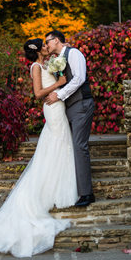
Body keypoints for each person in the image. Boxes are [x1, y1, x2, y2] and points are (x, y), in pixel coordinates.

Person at [0, 38, 78, 258]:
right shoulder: (36, 67)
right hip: (53, 109)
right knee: (57, 144)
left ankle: (57, 185)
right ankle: (49, 190)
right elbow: (37, 93)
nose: (48, 47)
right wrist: (60, 83)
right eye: (44, 45)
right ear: (38, 51)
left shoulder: (47, 64)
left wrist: (58, 78)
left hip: (58, 106)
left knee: (59, 146)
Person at [44, 30, 95, 207]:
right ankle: (75, 189)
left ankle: (87, 194)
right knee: (70, 147)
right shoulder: (57, 60)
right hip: (69, 107)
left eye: (47, 42)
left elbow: (79, 78)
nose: (46, 45)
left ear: (56, 40)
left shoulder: (74, 53)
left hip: (81, 104)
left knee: (79, 147)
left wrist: (59, 95)